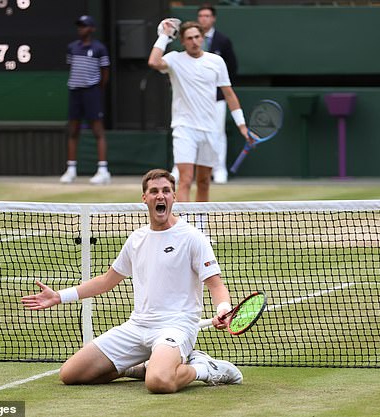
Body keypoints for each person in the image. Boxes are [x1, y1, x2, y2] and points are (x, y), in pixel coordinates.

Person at [21, 169, 243, 393]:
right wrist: (59, 296)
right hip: (137, 327)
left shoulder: (193, 237)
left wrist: (224, 308)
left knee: (159, 383)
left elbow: (216, 285)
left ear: (174, 197)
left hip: (176, 327)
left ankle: (204, 368)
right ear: (144, 198)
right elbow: (107, 281)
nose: (160, 196)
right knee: (71, 373)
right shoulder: (136, 238)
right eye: (154, 191)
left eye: (166, 191)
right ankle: (139, 368)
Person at [149, 20, 251, 202]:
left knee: (204, 182)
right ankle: (184, 227)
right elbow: (154, 61)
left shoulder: (216, 61)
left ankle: (200, 227)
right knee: (186, 179)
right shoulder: (174, 59)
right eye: (189, 38)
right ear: (183, 41)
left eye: (197, 37)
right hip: (184, 128)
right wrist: (164, 36)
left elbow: (229, 94)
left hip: (210, 130)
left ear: (203, 38)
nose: (194, 41)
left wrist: (242, 125)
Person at [171, 4, 238, 185]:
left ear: (213, 18)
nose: (204, 18)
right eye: (201, 15)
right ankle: (179, 169)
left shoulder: (222, 41)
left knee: (218, 133)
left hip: (216, 100)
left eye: (207, 16)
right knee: (186, 137)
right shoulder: (180, 55)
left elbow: (231, 70)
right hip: (190, 105)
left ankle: (219, 169)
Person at [60, 15, 111, 185]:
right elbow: (71, 67)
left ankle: (103, 171)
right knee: (73, 131)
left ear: (92, 29)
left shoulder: (99, 48)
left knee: (98, 131)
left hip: (92, 93)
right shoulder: (72, 48)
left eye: (84, 26)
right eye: (79, 26)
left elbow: (105, 73)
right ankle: (71, 170)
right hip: (75, 92)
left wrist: (95, 89)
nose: (81, 29)